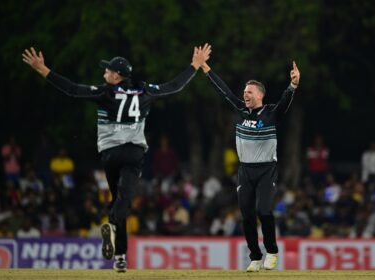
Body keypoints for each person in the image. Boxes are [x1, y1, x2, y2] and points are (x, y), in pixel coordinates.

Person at [22, 44, 211, 272]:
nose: (104, 74)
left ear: (116, 75)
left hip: (111, 154)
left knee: (117, 200)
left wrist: (43, 70)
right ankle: (114, 233)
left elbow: (72, 89)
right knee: (123, 201)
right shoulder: (144, 90)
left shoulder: (104, 92)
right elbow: (174, 86)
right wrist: (194, 66)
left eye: (107, 71)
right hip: (134, 153)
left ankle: (120, 255)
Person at [199, 60, 300, 272]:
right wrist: (207, 69)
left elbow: (284, 102)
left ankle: (271, 251)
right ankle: (255, 256)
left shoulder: (271, 113)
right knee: (246, 215)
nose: (245, 95)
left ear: (260, 95)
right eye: (244, 92)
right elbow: (223, 91)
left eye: (249, 92)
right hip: (245, 171)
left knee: (264, 211)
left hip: (266, 170)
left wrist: (292, 85)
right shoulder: (240, 110)